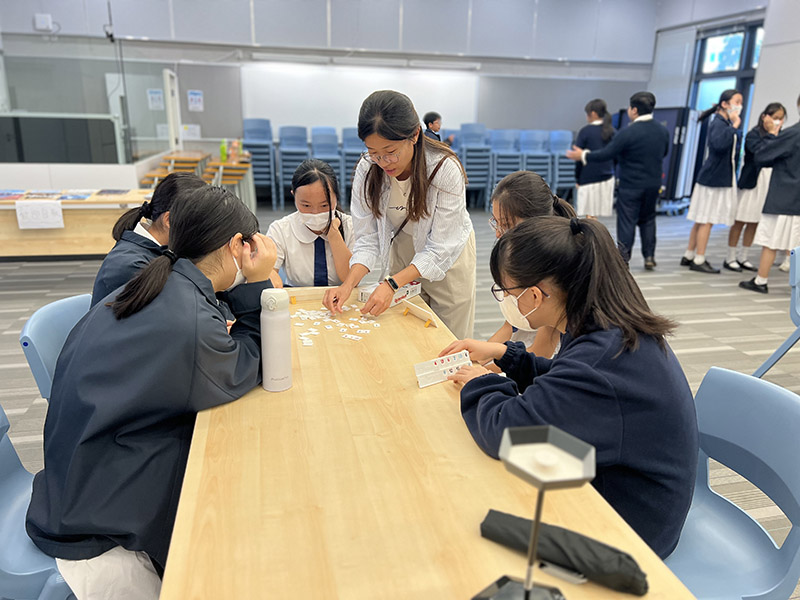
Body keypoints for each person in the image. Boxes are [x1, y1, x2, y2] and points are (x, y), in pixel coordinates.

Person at [26, 186, 278, 599]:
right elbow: (250, 363)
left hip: (78, 469)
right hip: (96, 510)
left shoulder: (159, 280)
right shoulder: (188, 318)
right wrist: (259, 281)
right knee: (235, 497)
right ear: (237, 245)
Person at [440, 216, 698, 559]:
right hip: (634, 491)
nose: (504, 300)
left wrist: (480, 382)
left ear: (534, 296)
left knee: (471, 529)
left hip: (633, 529)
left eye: (506, 292)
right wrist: (507, 356)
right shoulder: (604, 323)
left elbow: (505, 432)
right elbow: (566, 383)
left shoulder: (598, 360)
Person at [324, 90, 477, 339]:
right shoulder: (367, 168)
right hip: (404, 245)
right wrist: (347, 284)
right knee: (407, 331)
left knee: (448, 337)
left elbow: (440, 248)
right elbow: (368, 239)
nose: (383, 161)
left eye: (390, 151)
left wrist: (392, 283)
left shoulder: (444, 168)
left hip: (449, 255)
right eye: (373, 152)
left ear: (415, 135)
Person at [566, 91, 669, 270]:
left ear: (634, 110)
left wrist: (584, 155)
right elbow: (665, 152)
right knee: (648, 219)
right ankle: (649, 256)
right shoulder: (663, 131)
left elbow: (607, 154)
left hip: (631, 184)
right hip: (653, 184)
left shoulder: (628, 132)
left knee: (627, 221)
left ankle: (623, 258)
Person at [487, 171, 575, 359]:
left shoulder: (550, 266)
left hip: (547, 360)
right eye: (495, 222)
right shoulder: (514, 255)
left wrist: (485, 366)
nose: (498, 233)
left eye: (506, 224)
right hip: (520, 352)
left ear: (535, 222)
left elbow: (542, 351)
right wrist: (476, 355)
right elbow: (510, 326)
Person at [91, 172, 206, 305]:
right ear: (169, 220)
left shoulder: (164, 250)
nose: (204, 230)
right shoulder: (132, 267)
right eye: (200, 222)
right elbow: (176, 311)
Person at [740, 93, 800, 293]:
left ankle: (761, 281)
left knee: (771, 242)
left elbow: (762, 155)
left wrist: (773, 134)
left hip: (784, 197)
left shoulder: (792, 134)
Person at [681, 89, 743, 274]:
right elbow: (719, 145)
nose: (739, 106)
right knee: (706, 220)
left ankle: (689, 254)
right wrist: (735, 125)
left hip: (715, 177)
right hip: (713, 179)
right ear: (725, 104)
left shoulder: (723, 123)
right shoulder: (719, 123)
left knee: (702, 219)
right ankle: (699, 258)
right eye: (737, 102)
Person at [266, 159, 355, 287]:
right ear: (294, 196)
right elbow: (268, 274)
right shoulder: (280, 229)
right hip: (298, 296)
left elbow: (350, 279)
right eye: (306, 205)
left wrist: (334, 235)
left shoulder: (350, 226)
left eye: (324, 205)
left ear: (336, 196)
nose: (315, 213)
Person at [726, 102, 787, 272]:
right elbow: (761, 154)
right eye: (774, 117)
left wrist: (775, 135)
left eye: (781, 118)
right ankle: (730, 256)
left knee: (754, 221)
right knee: (740, 220)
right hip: (751, 181)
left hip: (769, 182)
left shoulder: (781, 136)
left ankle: (743, 256)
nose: (777, 121)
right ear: (764, 116)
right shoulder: (754, 134)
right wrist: (772, 134)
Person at [574, 99, 616, 217]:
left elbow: (578, 158)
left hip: (588, 178)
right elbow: (616, 156)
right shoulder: (613, 132)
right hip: (608, 178)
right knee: (597, 214)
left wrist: (577, 178)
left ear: (593, 113)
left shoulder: (585, 132)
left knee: (589, 215)